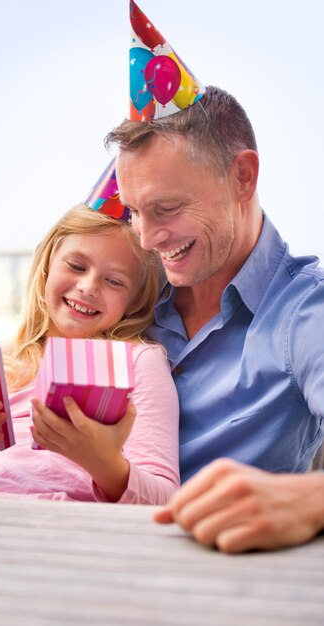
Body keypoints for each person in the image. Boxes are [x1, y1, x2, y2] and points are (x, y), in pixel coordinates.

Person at [104, 85, 324, 551]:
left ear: (243, 176)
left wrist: (309, 499)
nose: (145, 239)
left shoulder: (306, 312)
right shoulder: (128, 290)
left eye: (167, 209)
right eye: (134, 213)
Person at [0, 205, 180, 503]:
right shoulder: (7, 369)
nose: (88, 286)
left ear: (133, 302)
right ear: (46, 267)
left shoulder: (137, 360)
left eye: (114, 281)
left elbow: (164, 498)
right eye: (77, 266)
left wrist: (104, 463)